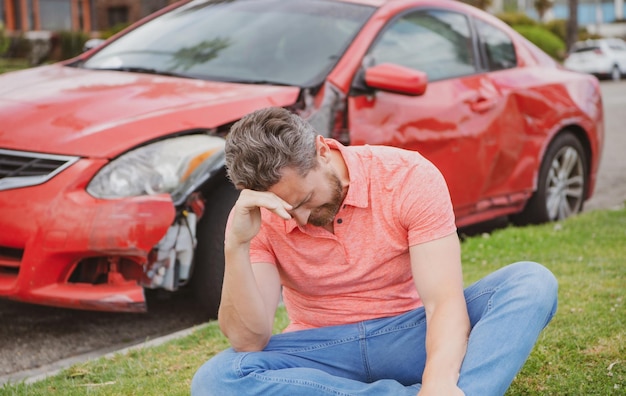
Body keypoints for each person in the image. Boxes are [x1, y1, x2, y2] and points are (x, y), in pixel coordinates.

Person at [191, 107, 558, 396]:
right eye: (286, 209)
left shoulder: (407, 176)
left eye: (303, 200)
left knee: (531, 282)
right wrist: (236, 245)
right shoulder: (255, 215)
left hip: (410, 334)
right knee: (216, 381)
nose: (299, 219)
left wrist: (438, 380)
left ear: (321, 151)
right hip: (325, 349)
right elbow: (250, 340)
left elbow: (442, 303)